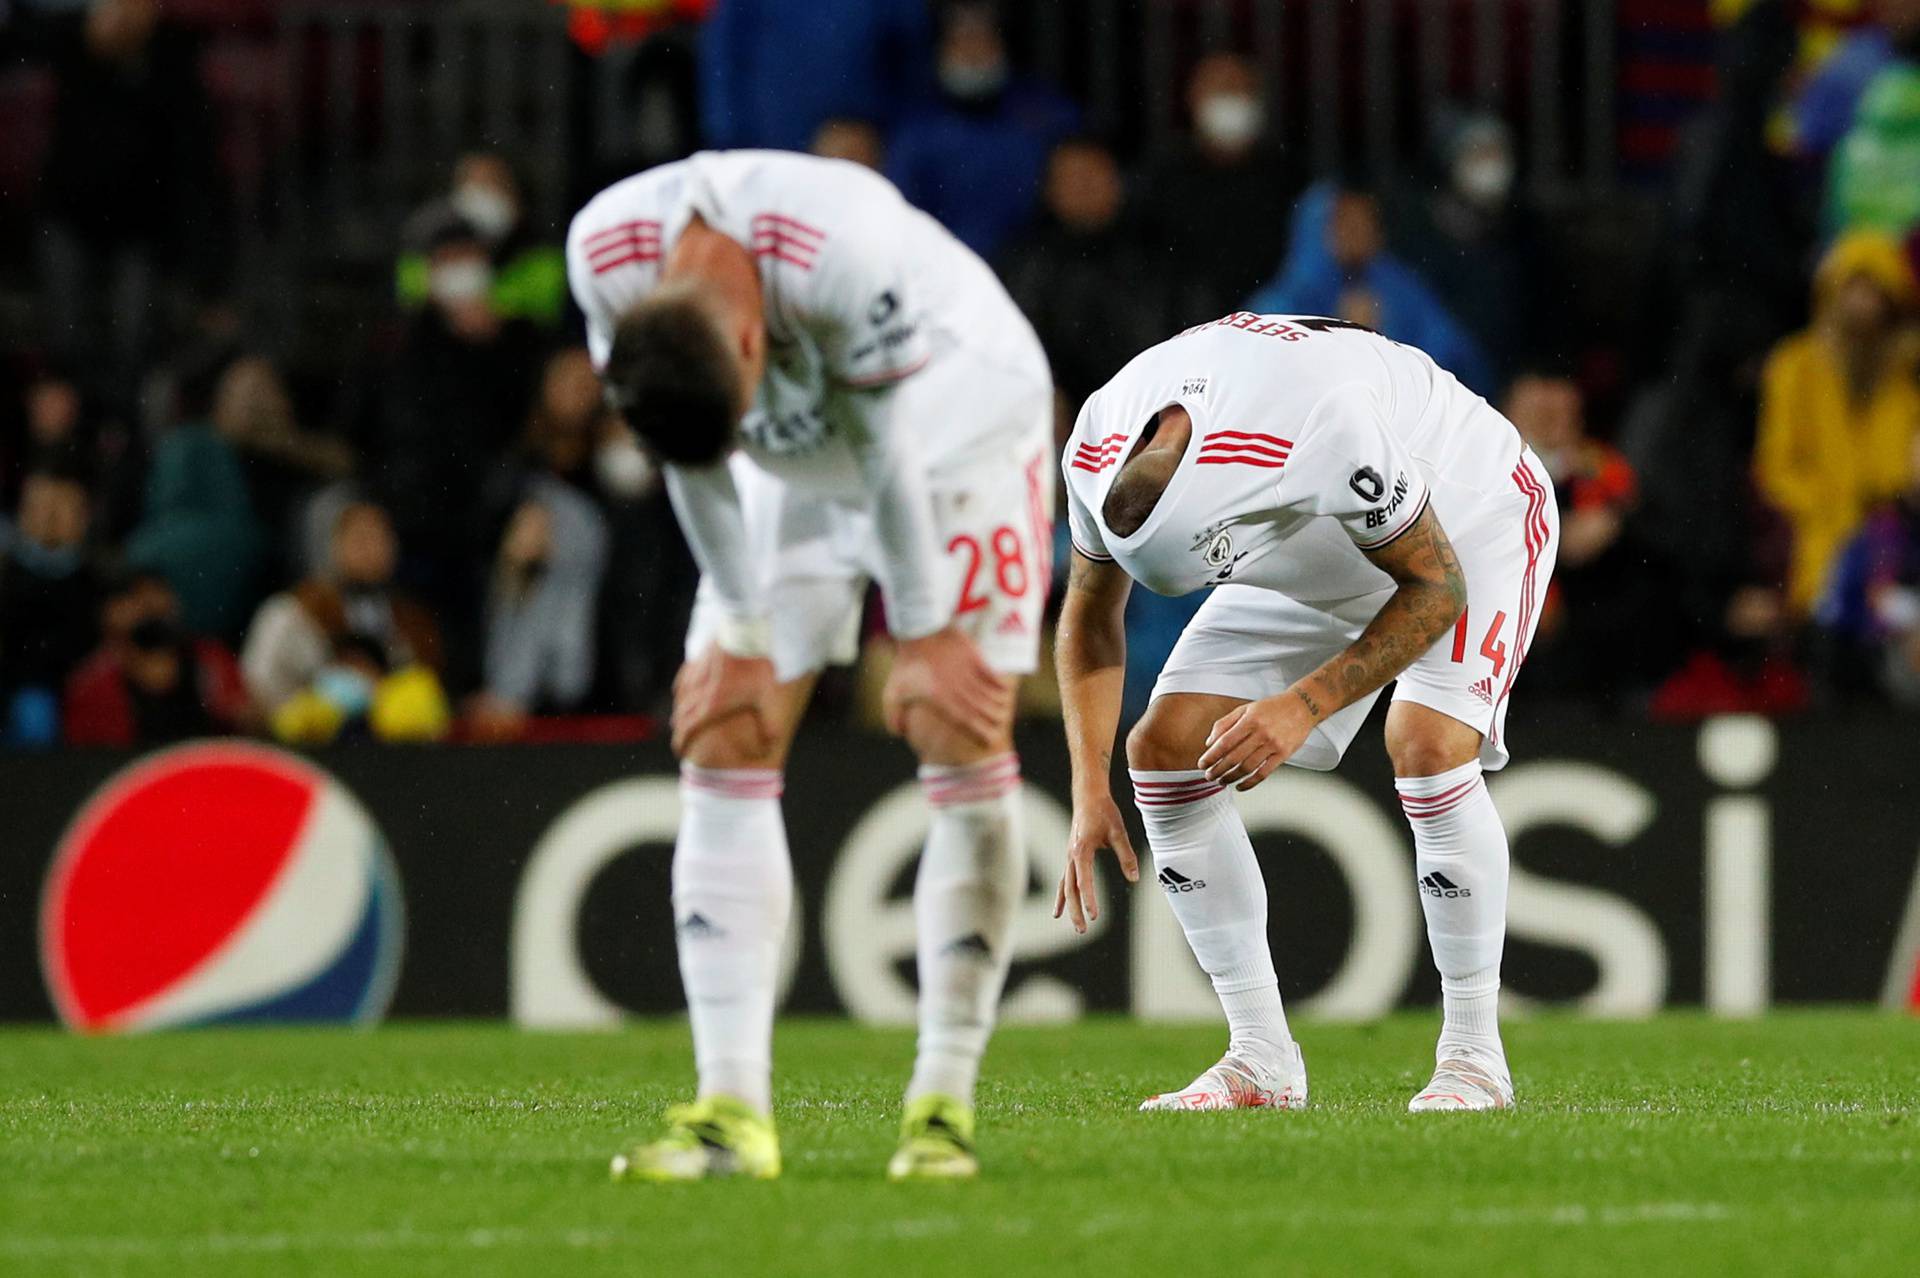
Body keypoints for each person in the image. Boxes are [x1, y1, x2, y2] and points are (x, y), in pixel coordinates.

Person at [567, 148, 1054, 1180]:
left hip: (959, 423)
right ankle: (731, 1113)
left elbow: (886, 452)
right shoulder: (603, 256)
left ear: (755, 341)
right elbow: (687, 446)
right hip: (785, 456)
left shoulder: (841, 244)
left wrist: (920, 633)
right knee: (725, 721)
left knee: (950, 721)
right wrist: (741, 630)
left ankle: (943, 1103)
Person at [1053, 312, 1559, 1114]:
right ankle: (1260, 1058)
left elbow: (1435, 586)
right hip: (1308, 537)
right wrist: (1088, 787)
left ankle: (1473, 1056)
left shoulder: (1322, 426)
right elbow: (1089, 617)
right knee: (1165, 748)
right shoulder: (1094, 443)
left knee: (1426, 744)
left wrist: (1301, 706)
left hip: (1466, 515)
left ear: (1219, 532)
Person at [1754, 231, 1920, 618]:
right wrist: (1832, 513)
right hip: (1807, 532)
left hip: (1887, 543)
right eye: (1854, 290)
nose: (1863, 306)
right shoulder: (1793, 366)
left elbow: (1900, 472)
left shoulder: (1903, 383)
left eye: (1876, 294)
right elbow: (1776, 468)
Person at [1249, 182, 1494, 396]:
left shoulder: (1399, 288)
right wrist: (1337, 335)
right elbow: (1257, 367)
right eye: (1345, 222)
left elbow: (1454, 356)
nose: (1357, 231)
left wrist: (1385, 346)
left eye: (1365, 220)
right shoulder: (1285, 299)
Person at [886, 1, 1079, 259]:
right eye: (962, 42)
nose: (974, 53)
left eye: (983, 41)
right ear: (942, 50)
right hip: (947, 271)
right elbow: (903, 220)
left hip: (1038, 271)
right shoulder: (914, 130)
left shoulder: (1045, 114)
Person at [1135, 53, 1302, 323]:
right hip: (1182, 331)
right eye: (1220, 90)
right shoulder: (1162, 179)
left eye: (1238, 90)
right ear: (1193, 98)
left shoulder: (1288, 177)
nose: (1230, 100)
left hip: (1272, 328)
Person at [239, 499, 443, 718]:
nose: (370, 550)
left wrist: (378, 689)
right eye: (359, 538)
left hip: (388, 744)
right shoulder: (291, 612)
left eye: (380, 538)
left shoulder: (411, 619)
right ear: (331, 545)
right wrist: (328, 687)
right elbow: (257, 686)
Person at [699, 0, 931, 153]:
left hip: (862, 151)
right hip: (769, 150)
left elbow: (913, 66)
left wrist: (884, 139)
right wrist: (732, 146)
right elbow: (724, 60)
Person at [64, 569, 250, 747]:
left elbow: (246, 725)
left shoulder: (212, 659)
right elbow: (88, 755)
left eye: (157, 593)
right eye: (137, 598)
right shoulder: (92, 683)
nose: (150, 606)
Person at [398, 153, 569, 329]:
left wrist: (492, 307)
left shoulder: (540, 245)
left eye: (490, 182)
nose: (479, 193)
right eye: (470, 182)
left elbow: (546, 302)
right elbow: (409, 288)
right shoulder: (432, 233)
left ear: (515, 190)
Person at [0, 466, 100, 744]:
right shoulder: (9, 574)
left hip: (87, 684)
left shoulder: (96, 575)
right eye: (41, 507)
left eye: (62, 507)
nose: (51, 518)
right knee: (35, 712)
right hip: (26, 690)